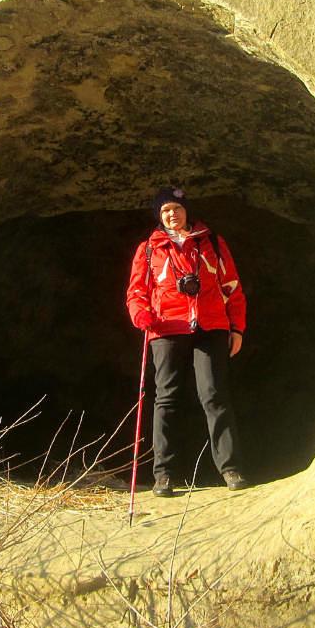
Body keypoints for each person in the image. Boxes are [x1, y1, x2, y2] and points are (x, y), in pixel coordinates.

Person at [126, 187, 248, 497]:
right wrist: (141, 315)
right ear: (159, 216)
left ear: (186, 211)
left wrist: (237, 329)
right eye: (166, 210)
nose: (172, 214)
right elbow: (136, 291)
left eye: (177, 208)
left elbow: (232, 287)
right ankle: (163, 474)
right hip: (166, 327)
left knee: (214, 395)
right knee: (166, 398)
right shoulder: (149, 249)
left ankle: (230, 469)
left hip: (210, 327)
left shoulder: (212, 243)